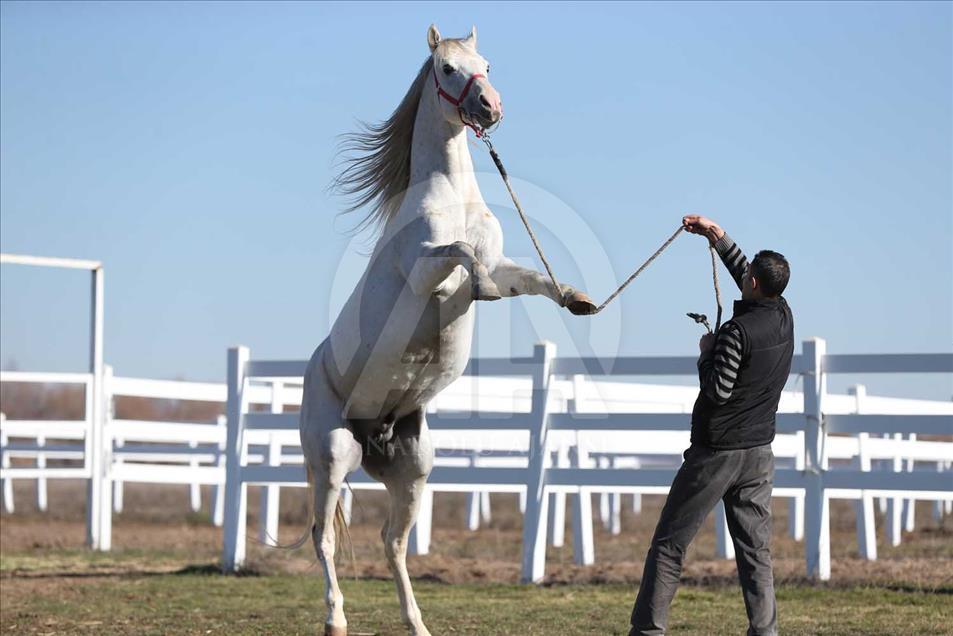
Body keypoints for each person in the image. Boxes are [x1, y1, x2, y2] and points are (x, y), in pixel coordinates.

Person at [628, 215, 794, 636]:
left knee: (669, 544)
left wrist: (707, 352)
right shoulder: (783, 316)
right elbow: (744, 271)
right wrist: (716, 235)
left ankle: (647, 630)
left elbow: (717, 391)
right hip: (759, 455)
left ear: (754, 284)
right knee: (755, 551)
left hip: (716, 453)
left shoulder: (736, 333)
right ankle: (765, 631)